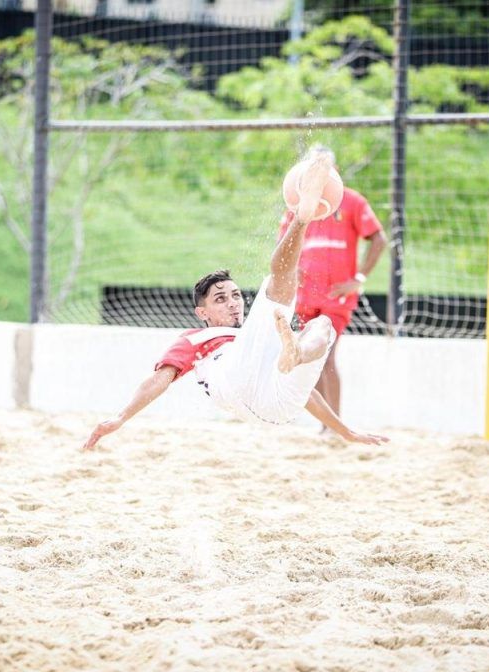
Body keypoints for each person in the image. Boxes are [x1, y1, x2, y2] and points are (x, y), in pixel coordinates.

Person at [82, 156, 390, 451]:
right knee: (279, 285)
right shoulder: (197, 338)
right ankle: (302, 218)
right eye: (220, 299)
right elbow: (159, 379)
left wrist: (345, 431)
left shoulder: (258, 340)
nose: (232, 304)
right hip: (234, 380)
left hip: (277, 405)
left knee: (321, 327)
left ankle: (298, 353)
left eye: (234, 295)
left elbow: (305, 393)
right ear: (201, 313)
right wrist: (121, 417)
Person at [278, 145, 387, 421]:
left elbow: (379, 238)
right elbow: (283, 246)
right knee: (310, 360)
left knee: (325, 356)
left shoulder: (351, 201)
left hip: (335, 296)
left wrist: (358, 278)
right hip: (305, 295)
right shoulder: (296, 203)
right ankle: (322, 425)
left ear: (333, 172)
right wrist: (292, 270)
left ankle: (332, 424)